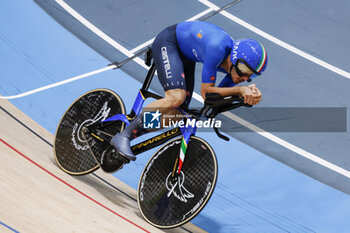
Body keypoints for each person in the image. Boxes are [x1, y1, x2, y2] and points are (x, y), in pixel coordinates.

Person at [105, 21, 268, 170]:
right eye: (245, 71)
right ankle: (124, 136)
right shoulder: (217, 47)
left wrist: (246, 99)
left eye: (252, 76)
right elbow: (207, 92)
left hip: (185, 55)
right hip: (169, 42)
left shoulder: (235, 70)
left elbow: (213, 100)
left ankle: (135, 130)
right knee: (176, 97)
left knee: (179, 115)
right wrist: (240, 91)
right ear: (235, 58)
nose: (245, 78)